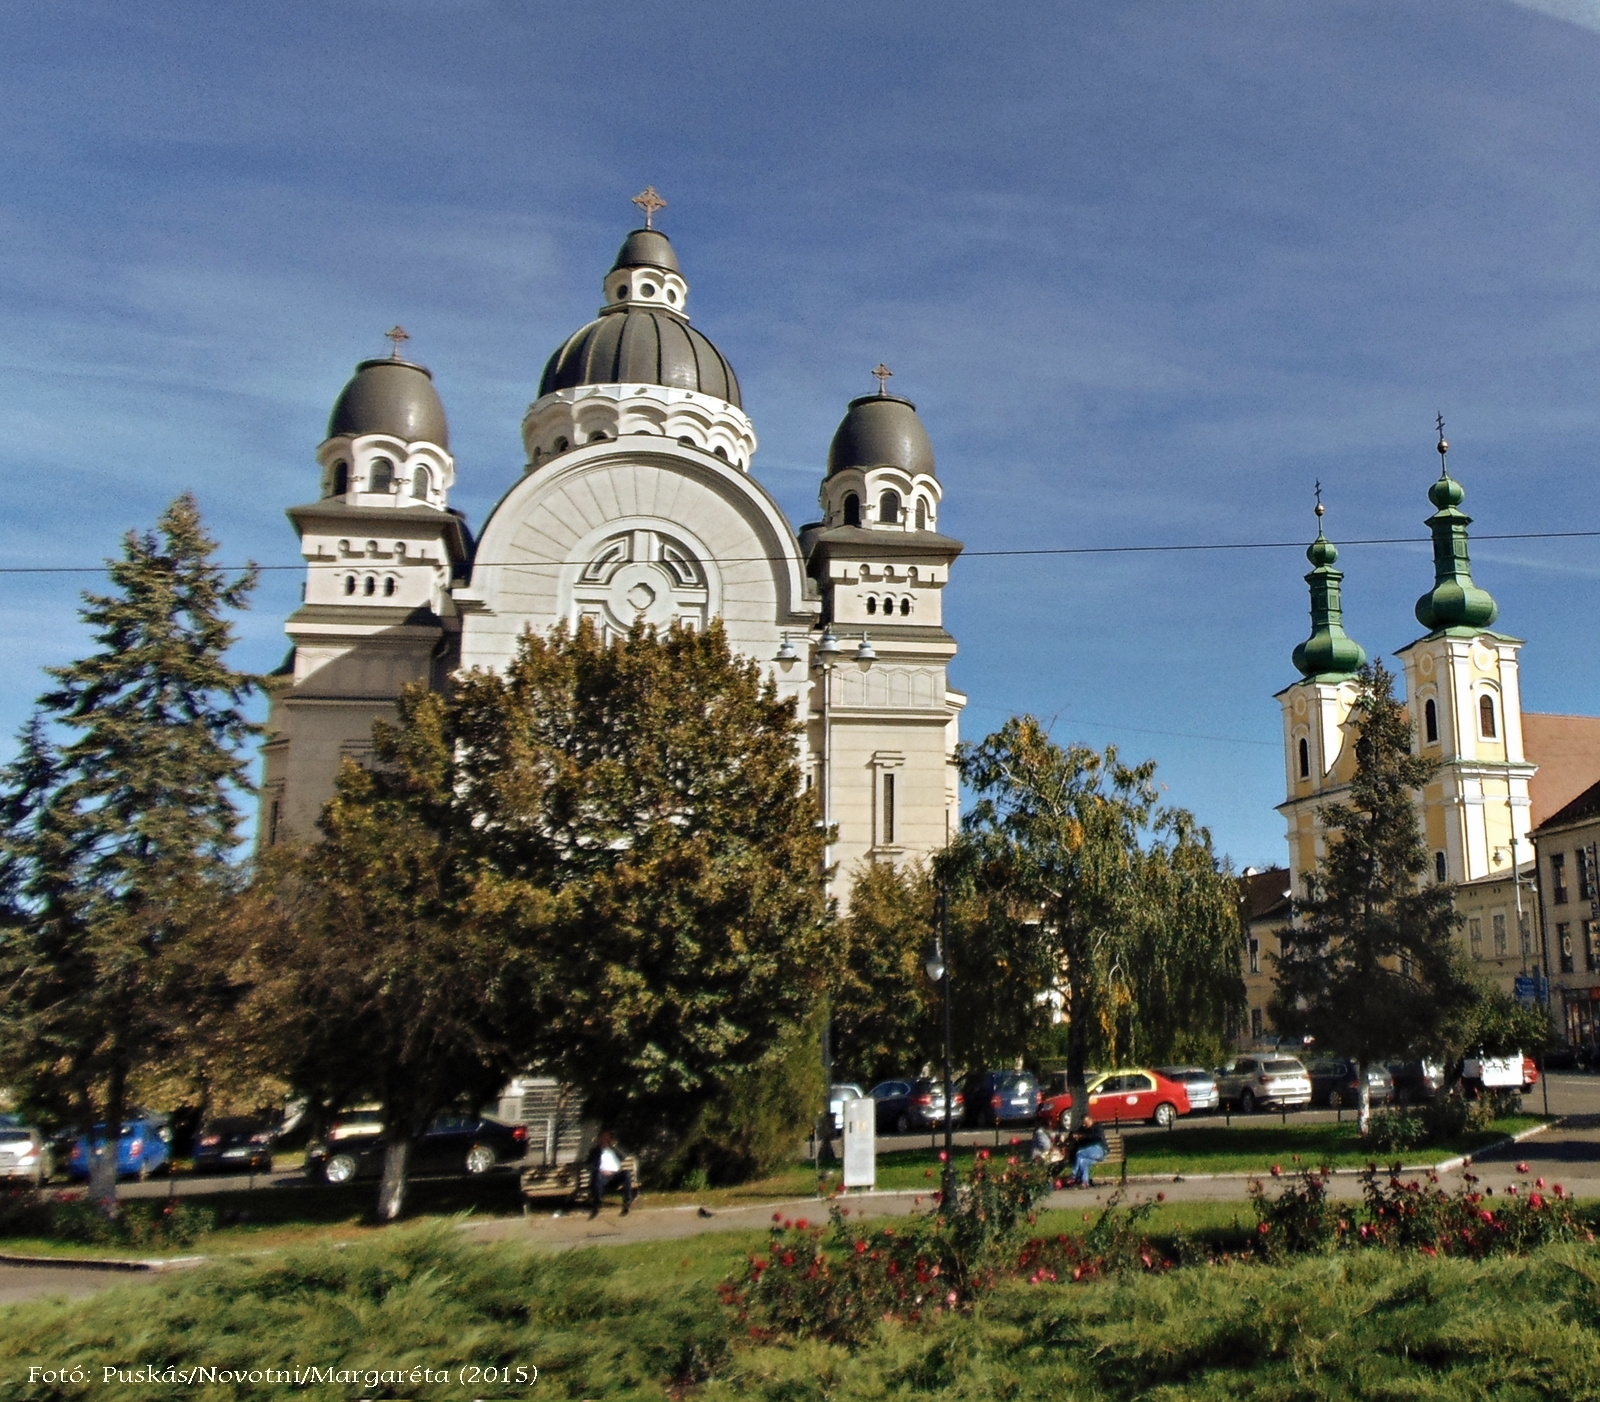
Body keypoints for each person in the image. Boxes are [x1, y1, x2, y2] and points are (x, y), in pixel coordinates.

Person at [587, 1130, 636, 1218]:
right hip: (602, 1176)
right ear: (599, 1139)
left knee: (626, 1174)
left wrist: (613, 1146)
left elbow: (623, 1157)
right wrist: (599, 1170)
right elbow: (589, 1163)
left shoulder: (614, 1150)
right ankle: (597, 1205)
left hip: (615, 1176)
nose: (605, 1140)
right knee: (597, 1178)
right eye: (603, 1138)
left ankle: (627, 1202)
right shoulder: (595, 1151)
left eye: (607, 1138)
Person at [1069, 1115, 1107, 1187]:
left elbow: (1096, 1136)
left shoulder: (1098, 1127)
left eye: (1085, 1123)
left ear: (1090, 1121)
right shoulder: (1084, 1129)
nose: (1084, 1125)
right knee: (1083, 1161)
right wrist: (1076, 1136)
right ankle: (1085, 1182)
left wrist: (1082, 1136)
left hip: (1099, 1150)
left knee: (1079, 1154)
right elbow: (1075, 1133)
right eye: (1083, 1123)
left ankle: (1073, 1176)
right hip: (1091, 1153)